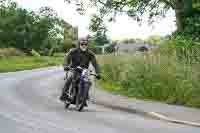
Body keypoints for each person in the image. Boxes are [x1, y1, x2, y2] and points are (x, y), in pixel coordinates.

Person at [60, 37, 101, 104]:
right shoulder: (73, 51)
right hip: (74, 69)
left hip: (84, 71)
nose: (84, 45)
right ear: (79, 44)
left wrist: (98, 73)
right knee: (69, 79)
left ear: (87, 44)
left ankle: (84, 96)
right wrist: (66, 66)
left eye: (85, 44)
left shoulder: (90, 53)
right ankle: (64, 96)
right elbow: (67, 59)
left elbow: (95, 64)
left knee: (88, 81)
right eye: (82, 44)